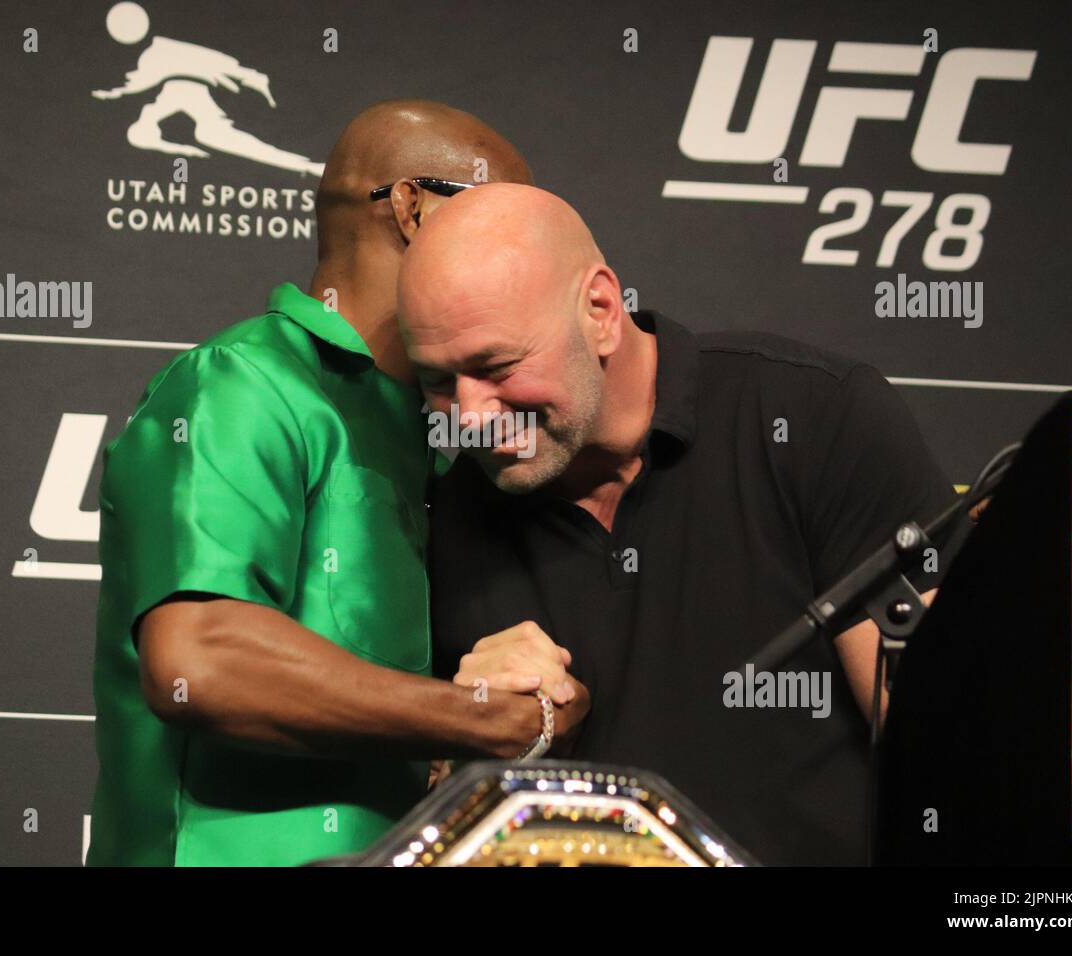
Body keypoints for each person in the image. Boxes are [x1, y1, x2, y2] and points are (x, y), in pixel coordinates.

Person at [87, 103, 588, 867]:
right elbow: (200, 658)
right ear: (409, 207)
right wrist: (484, 718)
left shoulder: (438, 431)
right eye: (493, 208)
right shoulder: (241, 382)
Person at [397, 183, 957, 866]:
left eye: (496, 367)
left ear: (601, 310)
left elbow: (949, 756)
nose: (472, 417)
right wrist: (478, 738)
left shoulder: (811, 419)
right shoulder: (441, 511)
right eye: (437, 381)